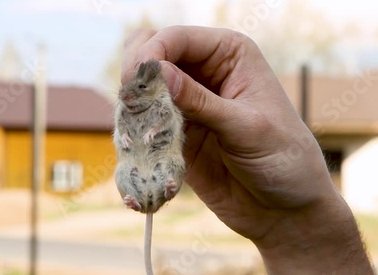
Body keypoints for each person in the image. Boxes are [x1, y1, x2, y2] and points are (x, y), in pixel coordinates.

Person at [121, 26, 375, 274]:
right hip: (146, 163)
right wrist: (298, 222)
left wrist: (299, 219)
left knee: (170, 168)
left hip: (166, 159)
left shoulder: (169, 103)